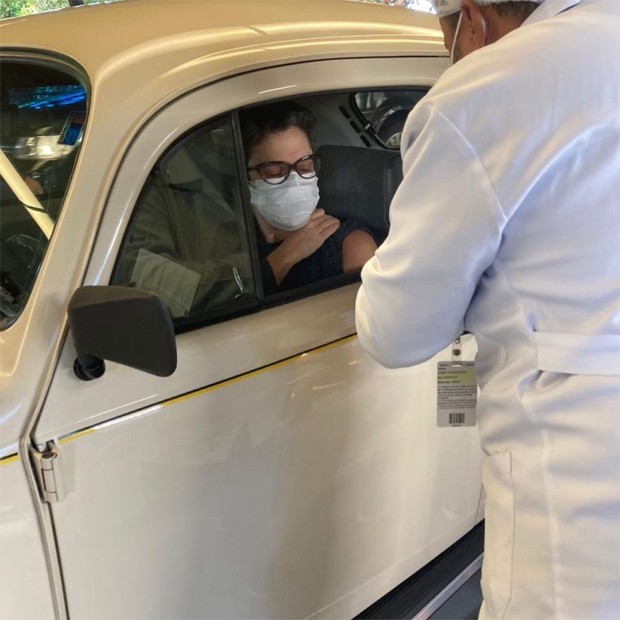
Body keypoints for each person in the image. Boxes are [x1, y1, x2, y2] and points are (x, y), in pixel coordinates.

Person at [355, 1, 619, 618]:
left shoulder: (486, 87)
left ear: (470, 20)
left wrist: (366, 264)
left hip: (582, 467)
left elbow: (396, 332)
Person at [240, 102, 378, 292]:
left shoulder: (350, 245)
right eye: (274, 172)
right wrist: (287, 255)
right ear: (245, 178)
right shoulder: (234, 245)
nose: (295, 180)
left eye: (305, 167)